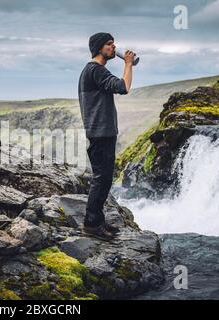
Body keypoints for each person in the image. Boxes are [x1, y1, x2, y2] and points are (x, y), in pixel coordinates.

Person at [78, 32, 134, 240]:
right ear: (99, 47)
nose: (113, 47)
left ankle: (98, 221)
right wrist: (128, 63)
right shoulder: (95, 70)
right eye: (109, 44)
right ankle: (91, 224)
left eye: (113, 43)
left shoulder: (93, 71)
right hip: (101, 132)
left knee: (104, 178)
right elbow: (123, 87)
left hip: (102, 131)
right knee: (101, 178)